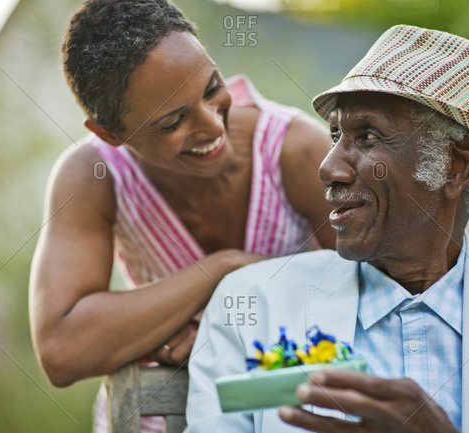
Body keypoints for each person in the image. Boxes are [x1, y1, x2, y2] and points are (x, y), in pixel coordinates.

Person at [185, 25, 469, 432]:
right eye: (336, 134)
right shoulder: (252, 307)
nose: (328, 168)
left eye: (368, 136)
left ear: (456, 165)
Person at [28, 1, 335, 432]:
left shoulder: (296, 150)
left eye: (212, 88)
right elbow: (62, 349)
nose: (212, 126)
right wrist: (222, 268)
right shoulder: (94, 177)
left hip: (289, 411)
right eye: (173, 121)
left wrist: (212, 320)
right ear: (111, 134)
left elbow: (387, 293)